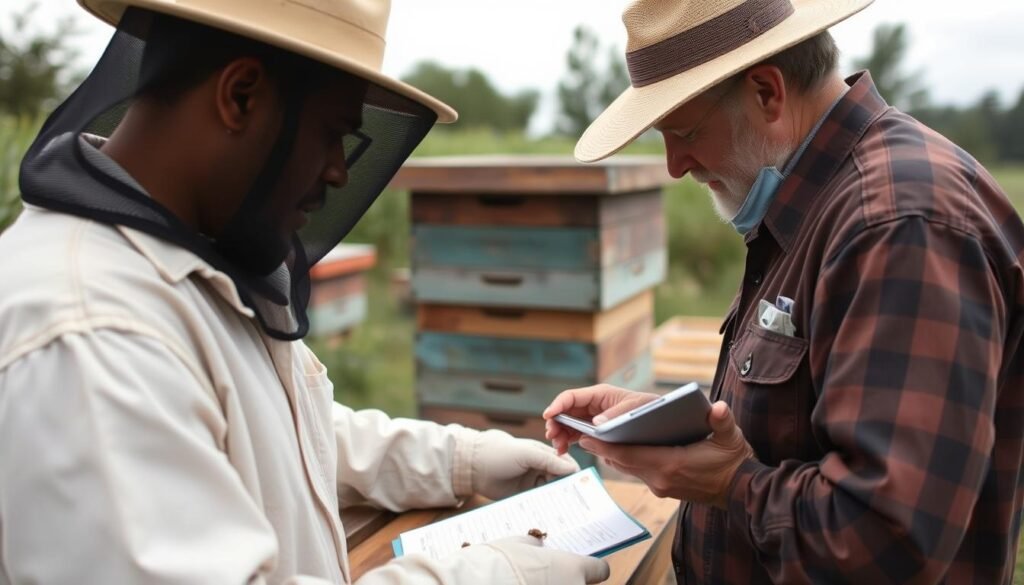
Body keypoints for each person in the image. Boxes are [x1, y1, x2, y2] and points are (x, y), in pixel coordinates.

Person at [0, 1, 610, 584]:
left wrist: (456, 460)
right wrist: (486, 576)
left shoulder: (180, 254)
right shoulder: (91, 336)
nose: (340, 171)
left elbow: (258, 432)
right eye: (331, 133)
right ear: (240, 96)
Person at [544, 0, 1024, 583]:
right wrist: (671, 428)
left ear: (767, 92)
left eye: (685, 132)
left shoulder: (898, 222)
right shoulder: (823, 198)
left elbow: (886, 539)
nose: (675, 165)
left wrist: (729, 484)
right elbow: (810, 422)